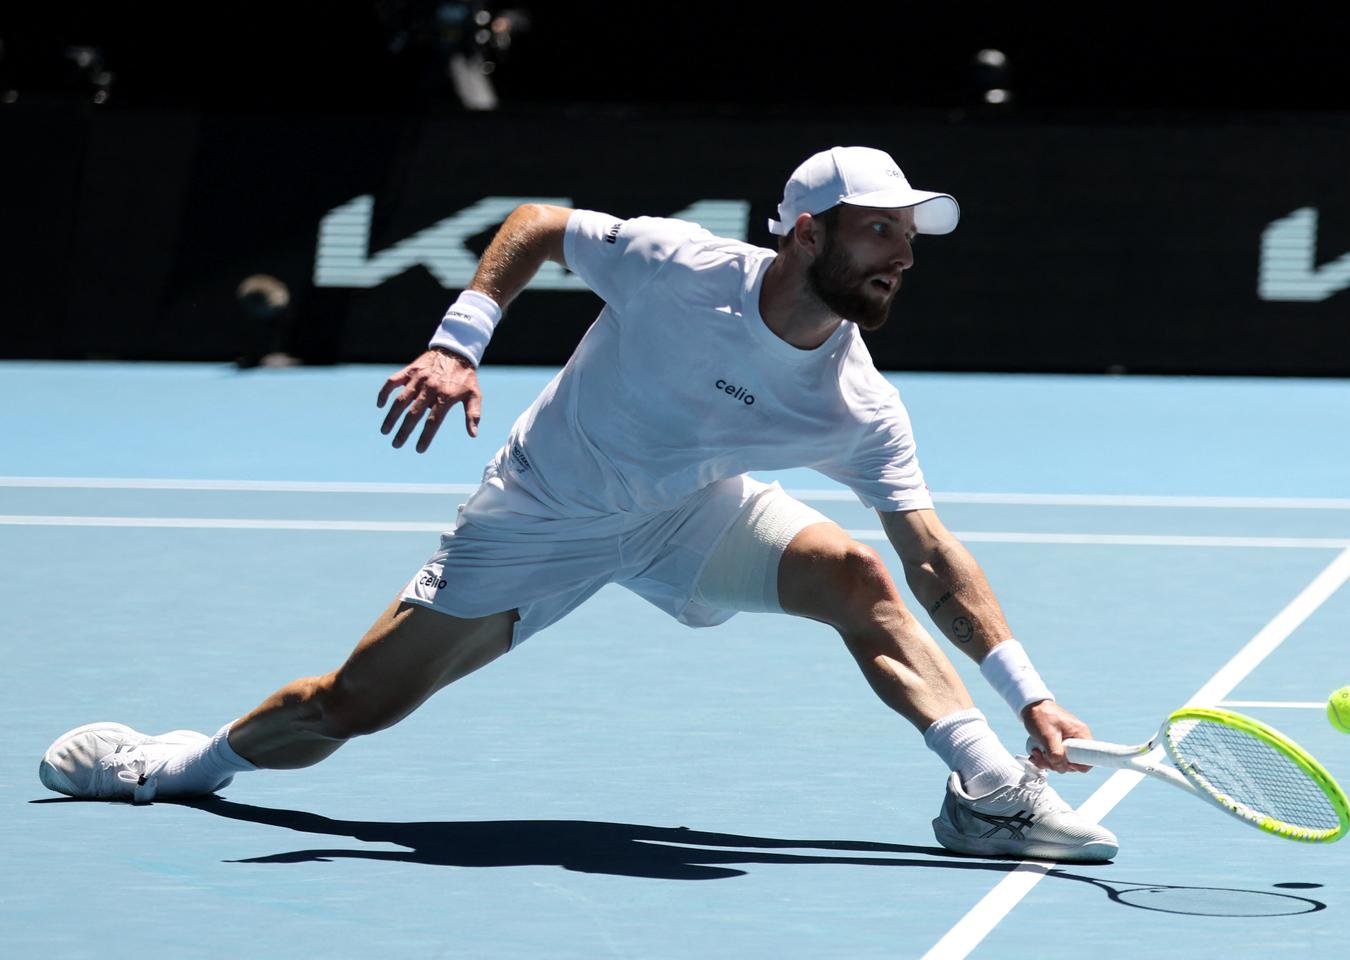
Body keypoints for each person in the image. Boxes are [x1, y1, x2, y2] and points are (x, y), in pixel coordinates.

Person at [39, 146, 1118, 862]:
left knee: (858, 576)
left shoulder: (857, 403)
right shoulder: (680, 266)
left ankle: (988, 792)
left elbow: (929, 554)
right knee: (351, 707)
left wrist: (1029, 697)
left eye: (909, 237)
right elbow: (540, 225)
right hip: (541, 517)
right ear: (805, 234)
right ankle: (176, 765)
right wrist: (458, 343)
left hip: (685, 513)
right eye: (880, 231)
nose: (904, 255)